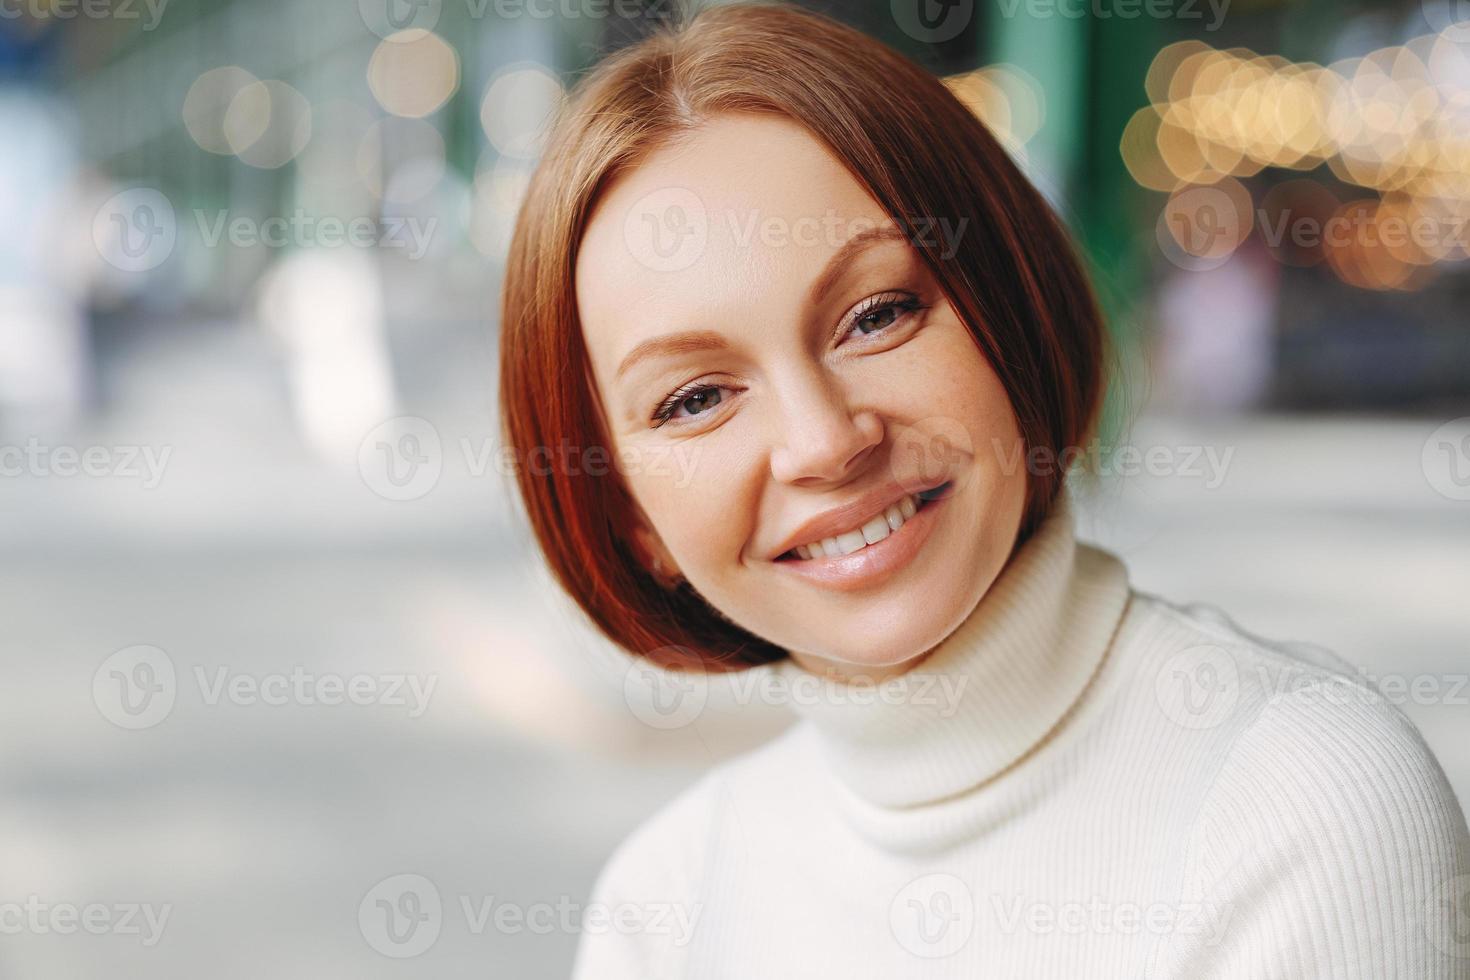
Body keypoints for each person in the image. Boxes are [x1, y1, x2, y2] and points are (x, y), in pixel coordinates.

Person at [496, 3, 1470, 976]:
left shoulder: (1300, 802)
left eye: (876, 315)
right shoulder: (662, 905)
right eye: (697, 397)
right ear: (631, 516)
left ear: (1010, 310)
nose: (825, 442)